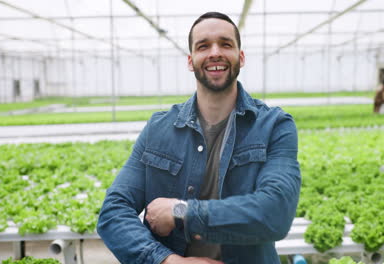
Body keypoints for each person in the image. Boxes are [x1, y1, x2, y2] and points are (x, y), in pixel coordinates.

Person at [97, 11, 301, 264]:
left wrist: (181, 211)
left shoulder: (274, 126)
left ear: (241, 57)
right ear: (191, 61)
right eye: (203, 46)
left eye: (225, 44)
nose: (215, 52)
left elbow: (275, 213)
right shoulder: (159, 128)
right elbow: (113, 212)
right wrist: (167, 261)